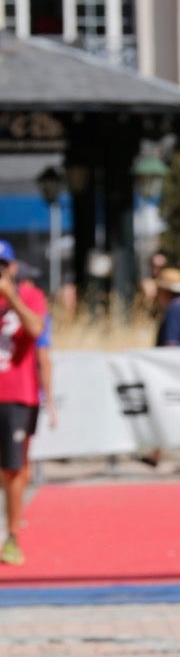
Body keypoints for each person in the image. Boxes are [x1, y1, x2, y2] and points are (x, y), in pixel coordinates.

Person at [0, 242, 46, 565]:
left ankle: (13, 534)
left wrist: (11, 297)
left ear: (12, 268)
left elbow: (35, 329)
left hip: (16, 395)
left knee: (14, 469)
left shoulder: (29, 296)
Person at [141, 267, 180, 474]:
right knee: (170, 411)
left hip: (173, 371)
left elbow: (171, 344)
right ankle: (156, 454)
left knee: (174, 411)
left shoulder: (175, 311)